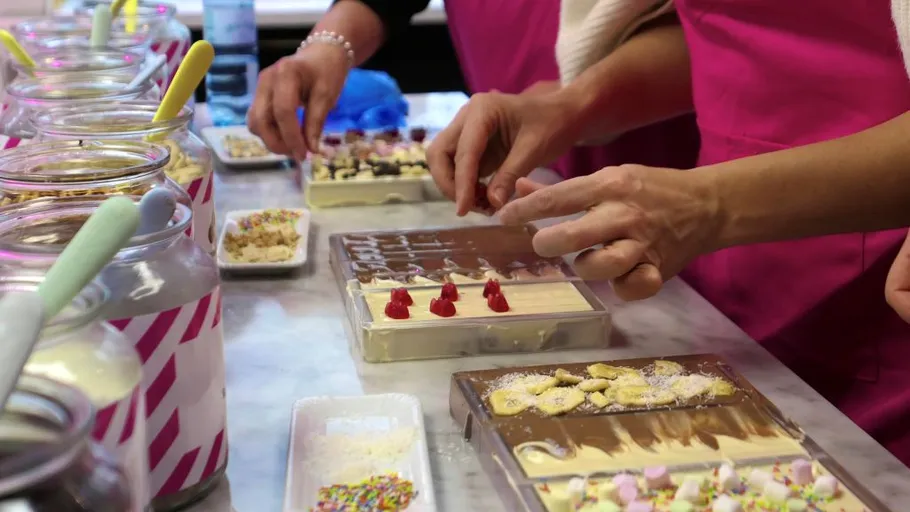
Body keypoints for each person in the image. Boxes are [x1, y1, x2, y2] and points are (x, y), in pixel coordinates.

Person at [426, 3, 910, 465]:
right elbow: (716, 31)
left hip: (881, 297)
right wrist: (572, 105)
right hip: (729, 295)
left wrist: (710, 204)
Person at [246, 0, 698, 175]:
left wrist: (571, 102)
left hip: (660, 168)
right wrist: (327, 47)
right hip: (510, 159)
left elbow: (712, 31)